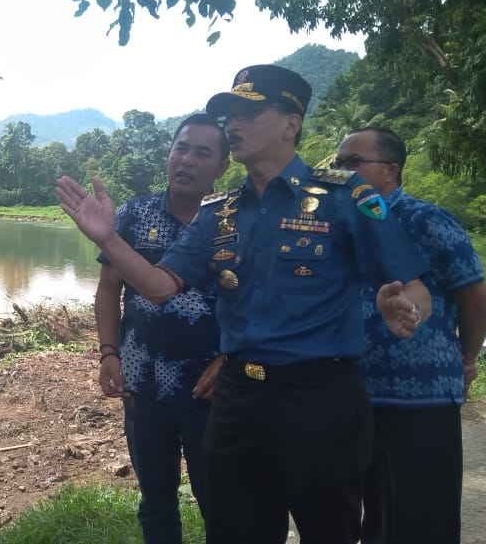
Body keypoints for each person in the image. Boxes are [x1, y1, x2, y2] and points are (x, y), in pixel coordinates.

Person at [56, 64, 433, 544]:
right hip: (236, 402)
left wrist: (406, 308)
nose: (234, 124)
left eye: (249, 112)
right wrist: (108, 238)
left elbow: (412, 284)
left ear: (291, 124)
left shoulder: (349, 196)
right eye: (230, 114)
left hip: (318, 399)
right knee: (235, 531)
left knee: (328, 529)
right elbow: (157, 286)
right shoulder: (220, 213)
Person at [332, 127, 486, 544]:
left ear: (390, 171)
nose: (341, 172)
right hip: (351, 393)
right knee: (369, 517)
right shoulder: (336, 224)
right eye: (337, 164)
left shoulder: (426, 220)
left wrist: (468, 358)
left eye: (353, 163)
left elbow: (475, 295)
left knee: (425, 516)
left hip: (421, 397)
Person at [95, 114, 228, 543]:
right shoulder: (134, 213)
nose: (187, 160)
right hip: (143, 385)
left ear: (223, 166)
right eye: (181, 148)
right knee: (156, 502)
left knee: (221, 503)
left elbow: (261, 304)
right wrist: (108, 353)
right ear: (168, 154)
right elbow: (108, 288)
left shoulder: (234, 221)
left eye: (203, 153)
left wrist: (232, 359)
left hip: (212, 388)